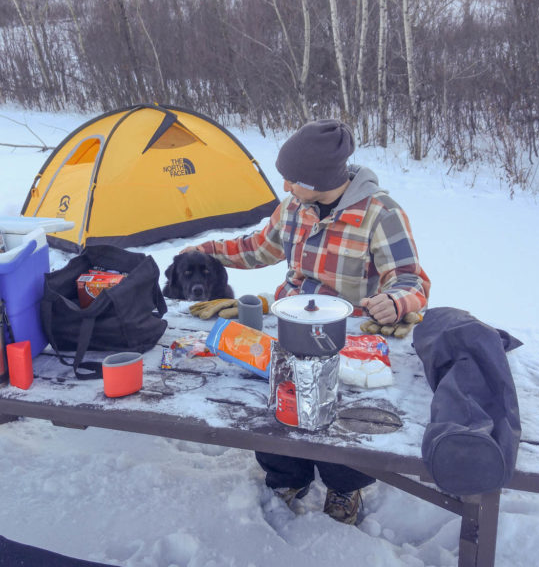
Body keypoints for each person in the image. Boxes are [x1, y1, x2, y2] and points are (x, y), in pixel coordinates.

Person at [183, 119, 430, 524]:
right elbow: (256, 248)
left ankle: (344, 488)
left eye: (292, 180)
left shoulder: (381, 215)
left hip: (347, 338)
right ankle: (287, 475)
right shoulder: (294, 208)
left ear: (320, 179)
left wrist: (395, 300)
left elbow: (409, 278)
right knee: (278, 403)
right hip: (290, 323)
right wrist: (205, 250)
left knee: (340, 419)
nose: (285, 188)